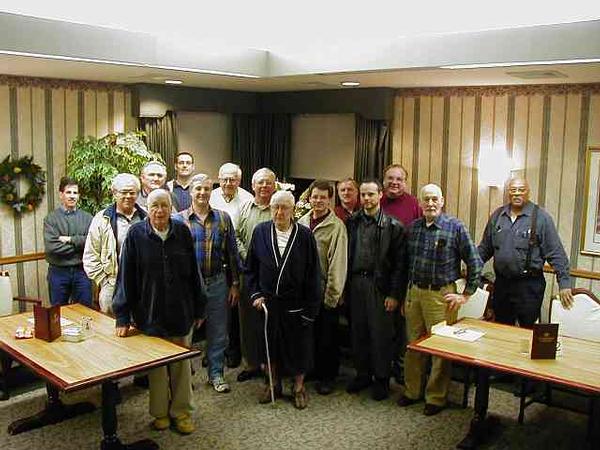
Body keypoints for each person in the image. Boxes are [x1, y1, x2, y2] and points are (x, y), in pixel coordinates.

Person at [113, 189, 206, 435]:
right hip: (150, 313)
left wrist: (200, 307)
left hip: (181, 311)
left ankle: (181, 412)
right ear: (148, 209)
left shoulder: (182, 231)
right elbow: (126, 277)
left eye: (164, 205)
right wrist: (122, 316)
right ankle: (161, 413)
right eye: (155, 205)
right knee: (156, 368)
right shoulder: (136, 235)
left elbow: (194, 273)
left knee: (181, 366)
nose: (160, 211)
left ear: (170, 208)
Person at [398, 183, 482, 416]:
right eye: (426, 199)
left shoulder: (455, 227)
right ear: (420, 203)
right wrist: (405, 295)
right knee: (413, 345)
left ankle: (435, 397)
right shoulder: (413, 228)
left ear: (442, 201)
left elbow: (475, 262)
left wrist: (466, 294)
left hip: (441, 296)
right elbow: (405, 265)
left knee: (439, 348)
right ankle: (412, 391)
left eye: (435, 199)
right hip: (414, 293)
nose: (430, 203)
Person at [246, 191, 322, 409]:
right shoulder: (260, 232)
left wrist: (310, 309)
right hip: (268, 303)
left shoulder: (305, 236)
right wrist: (255, 294)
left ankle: (298, 387)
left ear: (293, 210)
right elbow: (250, 268)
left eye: (284, 207)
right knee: (269, 346)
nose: (279, 212)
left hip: (296, 304)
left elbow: (313, 275)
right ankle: (272, 384)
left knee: (299, 348)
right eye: (275, 207)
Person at [173, 174, 241, 394]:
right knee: (185, 333)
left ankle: (216, 374)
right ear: (191, 192)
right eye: (198, 189)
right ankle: (184, 378)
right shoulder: (178, 220)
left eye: (206, 189)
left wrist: (235, 284)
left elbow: (232, 254)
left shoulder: (223, 218)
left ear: (212, 192)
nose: (202, 193)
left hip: (217, 282)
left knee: (218, 332)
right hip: (188, 286)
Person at [478, 177, 574, 327]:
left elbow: (556, 254)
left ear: (528, 192)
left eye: (521, 190)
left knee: (527, 332)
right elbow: (484, 249)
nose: (517, 193)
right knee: (501, 329)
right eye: (513, 190)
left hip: (529, 286)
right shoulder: (497, 216)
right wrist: (471, 268)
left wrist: (564, 283)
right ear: (508, 192)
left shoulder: (541, 218)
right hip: (502, 284)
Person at [345, 179, 406, 401]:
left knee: (380, 335)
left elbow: (400, 265)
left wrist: (394, 294)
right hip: (355, 283)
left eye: (371, 194)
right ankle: (363, 375)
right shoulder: (352, 222)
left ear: (380, 195)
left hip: (380, 286)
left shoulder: (394, 226)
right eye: (363, 194)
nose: (367, 198)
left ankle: (381, 379)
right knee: (358, 332)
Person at [298, 180, 348, 395]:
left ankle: (327, 377)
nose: (318, 201)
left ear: (330, 200)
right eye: (315, 197)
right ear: (309, 198)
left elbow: (338, 264)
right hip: (305, 293)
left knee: (327, 338)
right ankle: (312, 370)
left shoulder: (337, 227)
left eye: (323, 197)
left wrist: (332, 296)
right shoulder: (301, 222)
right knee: (309, 336)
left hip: (326, 292)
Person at [380, 164, 423, 384]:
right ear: (384, 180)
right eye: (390, 178)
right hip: (379, 277)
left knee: (401, 329)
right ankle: (381, 368)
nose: (394, 182)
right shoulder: (376, 201)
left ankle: (400, 369)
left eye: (399, 179)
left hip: (404, 276)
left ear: (405, 182)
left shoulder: (414, 205)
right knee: (381, 327)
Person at [209, 162, 253, 368]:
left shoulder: (247, 199)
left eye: (232, 179)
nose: (228, 183)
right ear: (219, 179)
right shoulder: (211, 196)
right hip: (214, 257)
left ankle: (233, 350)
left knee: (234, 309)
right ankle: (213, 351)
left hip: (236, 258)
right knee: (214, 310)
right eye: (224, 179)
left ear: (239, 180)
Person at [235, 168, 277, 383]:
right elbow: (236, 236)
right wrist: (247, 256)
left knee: (271, 321)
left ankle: (269, 365)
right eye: (260, 182)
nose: (264, 186)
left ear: (274, 186)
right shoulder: (244, 207)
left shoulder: (279, 208)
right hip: (248, 273)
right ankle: (251, 363)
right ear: (252, 185)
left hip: (272, 275)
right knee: (248, 321)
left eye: (268, 182)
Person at [83, 173, 146, 314]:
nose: (128, 196)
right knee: (111, 326)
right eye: (124, 192)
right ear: (114, 193)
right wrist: (104, 281)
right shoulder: (102, 219)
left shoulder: (147, 217)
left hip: (143, 285)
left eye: (132, 192)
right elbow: (90, 255)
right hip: (112, 285)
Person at [44, 177, 93, 306]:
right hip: (58, 272)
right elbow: (52, 248)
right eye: (68, 192)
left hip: (82, 271)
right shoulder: (51, 219)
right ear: (61, 195)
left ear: (79, 196)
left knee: (85, 310)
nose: (72, 196)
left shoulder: (88, 218)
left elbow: (92, 243)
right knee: (58, 312)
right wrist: (80, 244)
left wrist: (70, 240)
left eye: (75, 193)